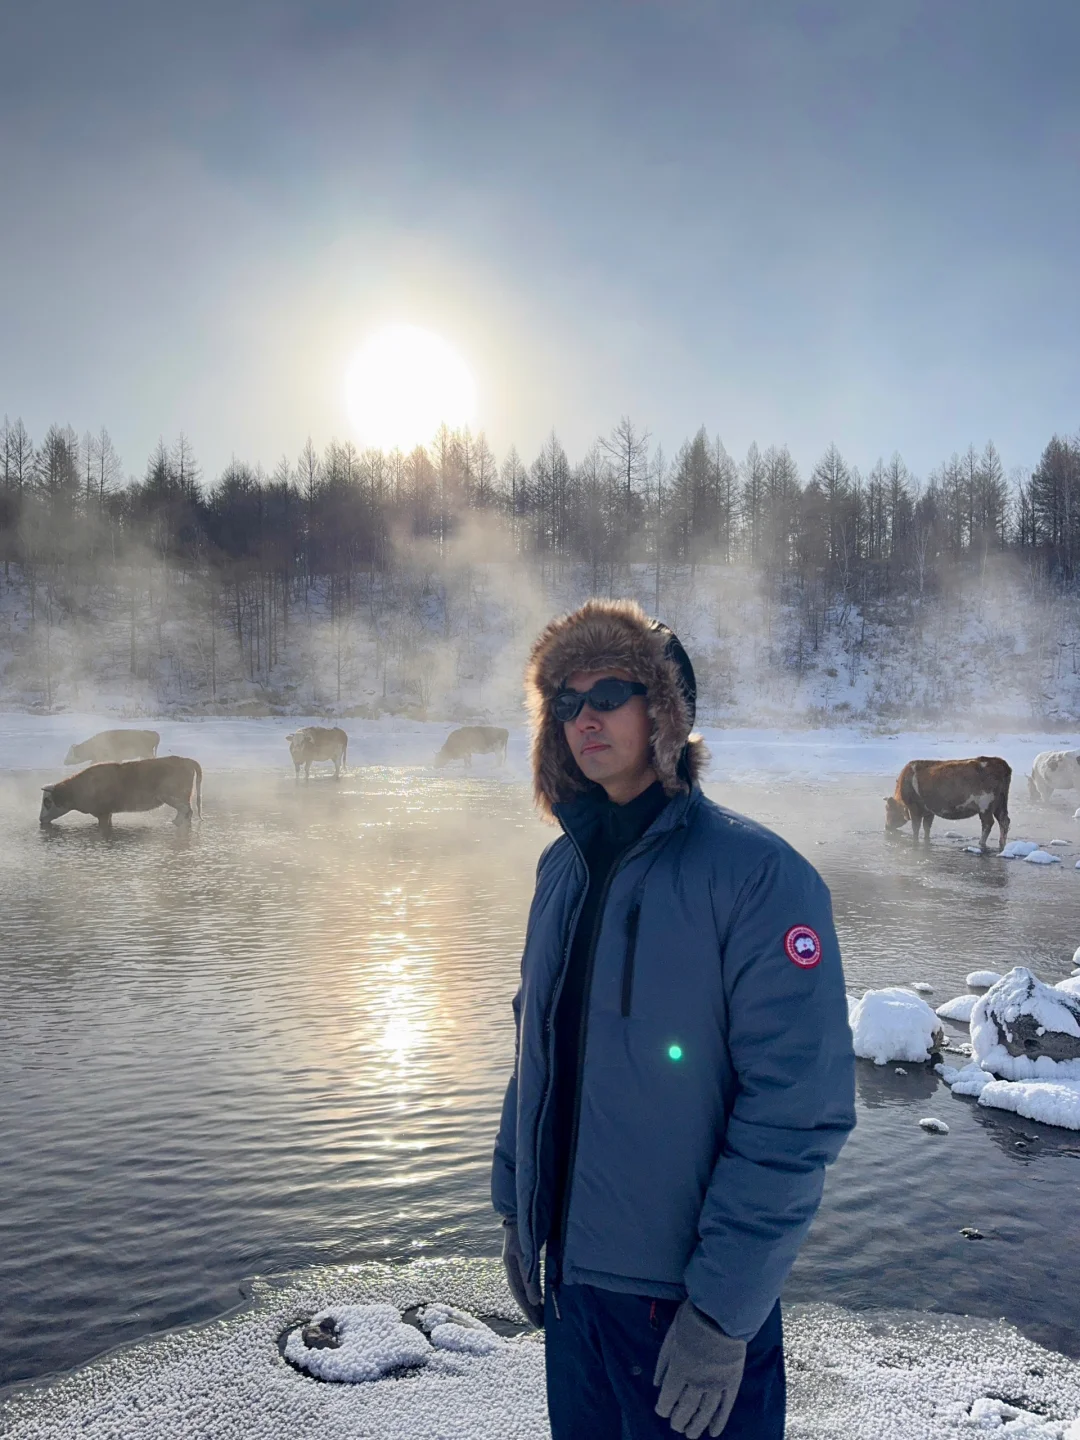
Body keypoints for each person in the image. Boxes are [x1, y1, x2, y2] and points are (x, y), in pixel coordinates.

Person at [491, 598, 855, 1440]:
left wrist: (723, 1315)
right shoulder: (562, 870)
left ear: (665, 712)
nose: (585, 717)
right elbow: (534, 1052)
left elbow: (797, 1113)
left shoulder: (759, 877)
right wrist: (517, 1206)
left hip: (684, 1310)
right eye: (566, 701)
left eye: (608, 692)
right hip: (574, 1294)